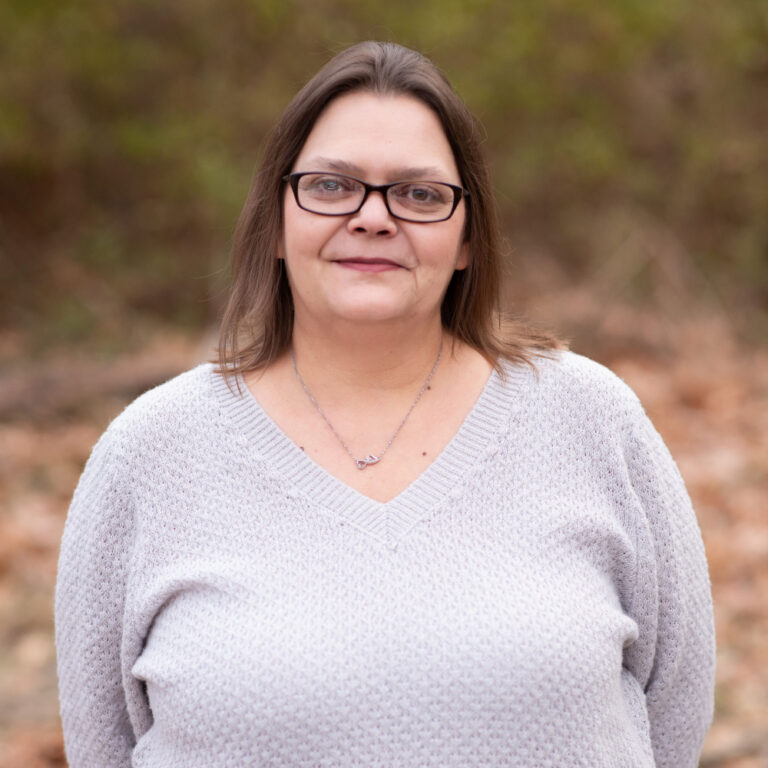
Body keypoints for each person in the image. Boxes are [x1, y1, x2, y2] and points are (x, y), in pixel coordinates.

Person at [55, 41, 715, 767]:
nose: (373, 218)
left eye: (420, 194)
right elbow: (101, 742)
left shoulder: (592, 421)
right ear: (276, 220)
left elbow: (675, 714)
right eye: (332, 186)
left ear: (468, 238)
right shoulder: (150, 452)